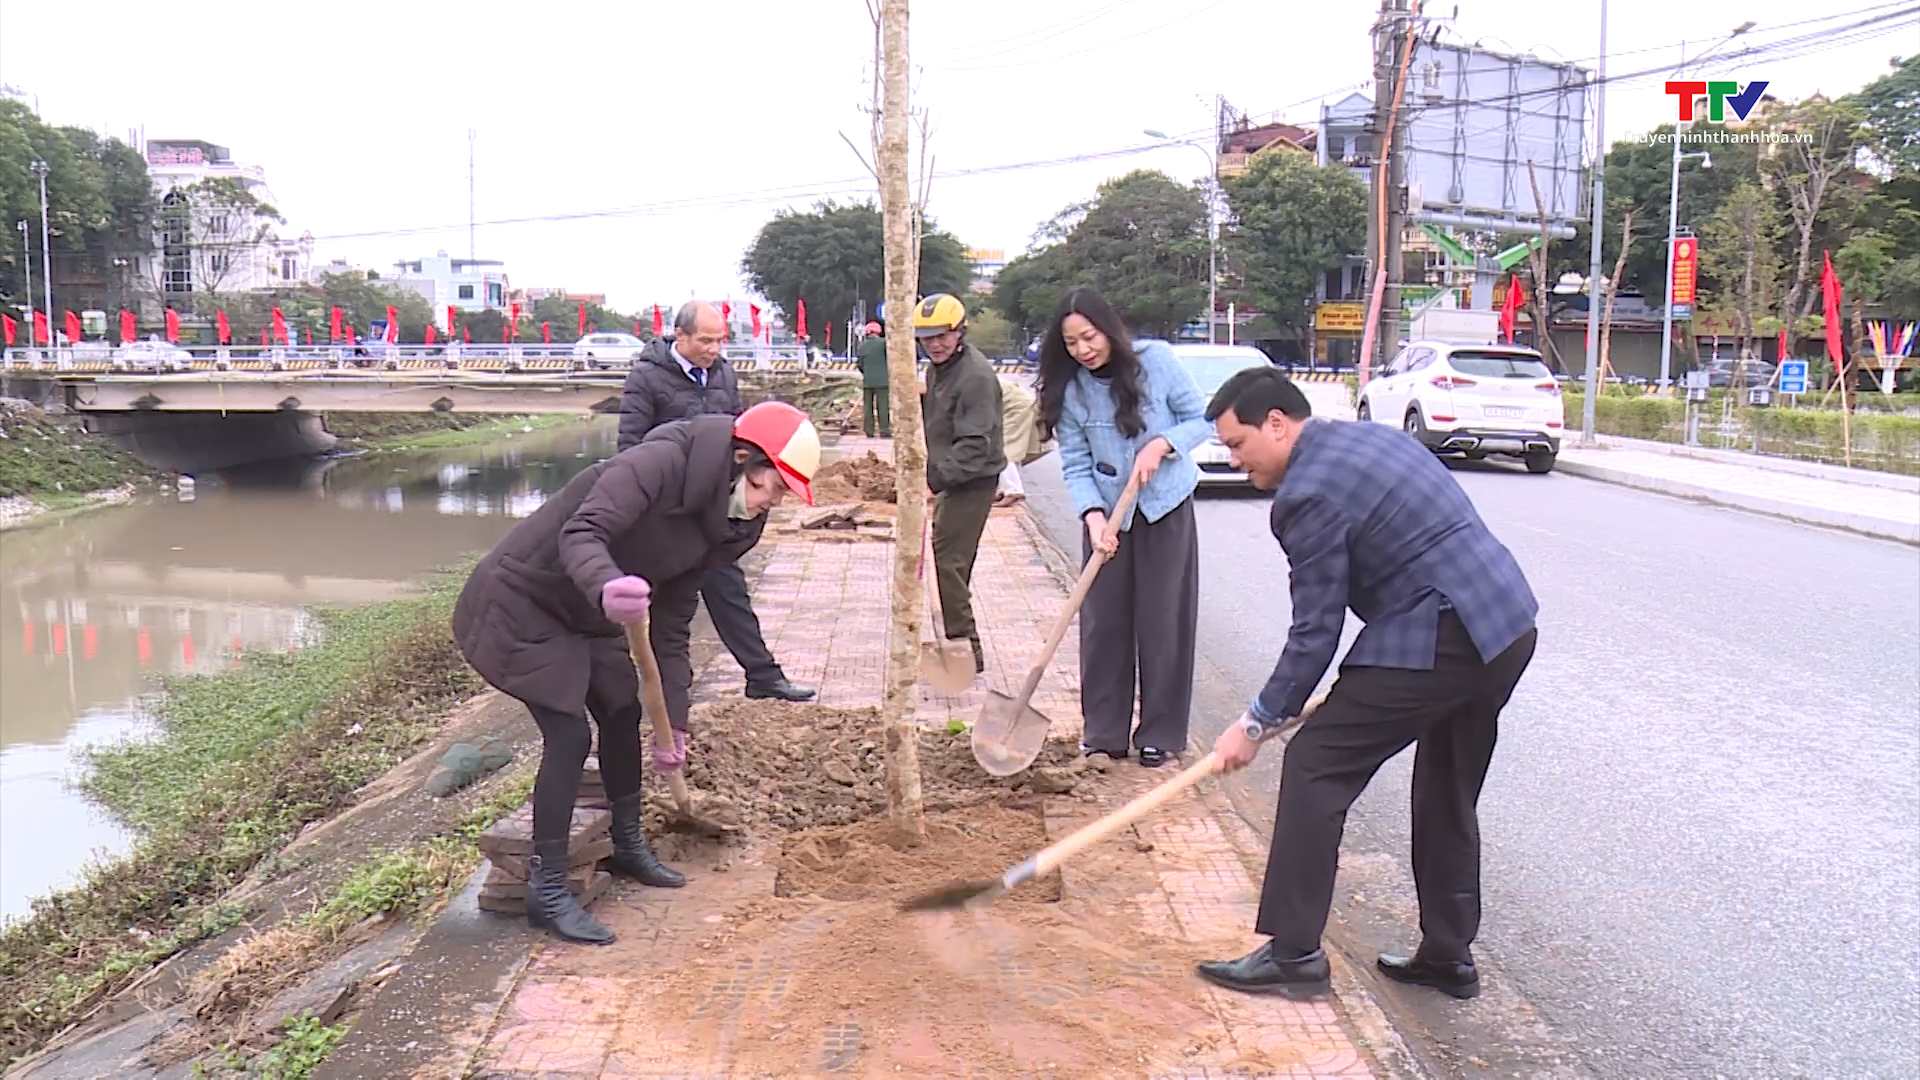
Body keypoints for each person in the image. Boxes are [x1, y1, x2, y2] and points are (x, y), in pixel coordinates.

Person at [1193, 367, 1538, 1001]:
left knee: (1316, 763)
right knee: (1446, 789)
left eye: (1238, 445)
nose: (1234, 460)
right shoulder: (1371, 438)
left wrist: (1257, 722)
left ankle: (1294, 954)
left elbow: (1314, 633)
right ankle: (1448, 957)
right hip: (1505, 622)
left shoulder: (1306, 496)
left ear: (1277, 423)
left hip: (1441, 633)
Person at [453, 402, 821, 944]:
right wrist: (607, 584)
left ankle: (627, 844)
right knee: (569, 732)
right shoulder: (659, 463)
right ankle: (548, 888)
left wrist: (674, 721)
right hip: (526, 597)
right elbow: (582, 533)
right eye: (773, 487)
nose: (773, 503)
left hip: (599, 611)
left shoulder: (735, 524)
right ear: (743, 459)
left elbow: (673, 622)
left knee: (623, 710)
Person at [1036, 287, 1210, 768]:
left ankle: (1161, 733)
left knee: (1163, 621)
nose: (1083, 350)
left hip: (1164, 508)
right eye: (1071, 343)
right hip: (1107, 517)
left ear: (1108, 328)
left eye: (1089, 337)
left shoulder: (1157, 360)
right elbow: (1074, 462)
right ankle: (1104, 733)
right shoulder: (1071, 389)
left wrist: (1163, 445)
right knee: (1104, 624)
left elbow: (1201, 419)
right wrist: (1092, 517)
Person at [616, 301, 816, 703]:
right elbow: (629, 447)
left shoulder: (723, 373)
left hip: (713, 508)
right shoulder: (647, 378)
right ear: (681, 336)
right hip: (667, 513)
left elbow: (740, 435)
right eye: (705, 340)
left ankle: (762, 675)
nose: (713, 349)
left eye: (720, 341)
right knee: (655, 610)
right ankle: (643, 698)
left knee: (728, 589)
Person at [915, 292, 1005, 675]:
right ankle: (959, 643)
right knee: (949, 562)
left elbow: (974, 445)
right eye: (927, 337)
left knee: (947, 563)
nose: (935, 344)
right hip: (949, 475)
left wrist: (935, 481)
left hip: (972, 479)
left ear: (960, 331)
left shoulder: (975, 377)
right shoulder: (939, 369)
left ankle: (966, 650)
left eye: (943, 335)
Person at [857, 320, 891, 437]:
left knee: (868, 407)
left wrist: (866, 373)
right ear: (879, 332)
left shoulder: (862, 346)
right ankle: (884, 430)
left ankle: (869, 431)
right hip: (883, 381)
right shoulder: (884, 344)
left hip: (868, 381)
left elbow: (860, 364)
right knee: (883, 406)